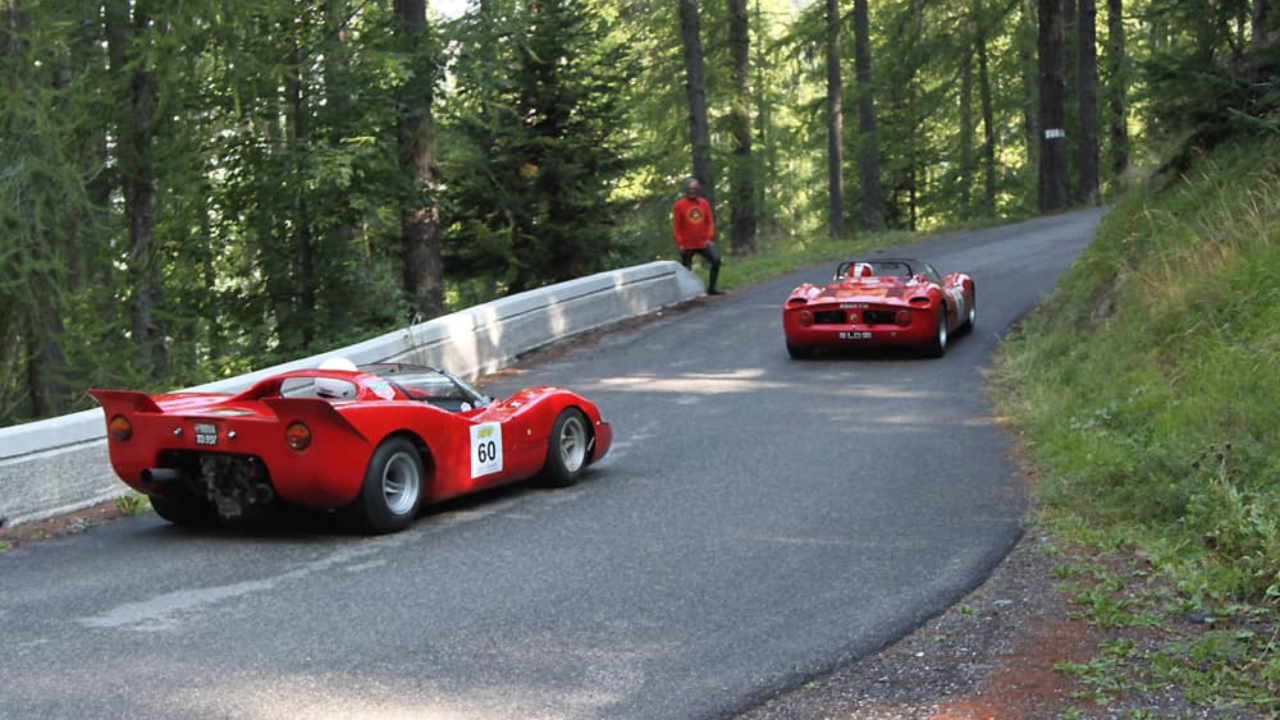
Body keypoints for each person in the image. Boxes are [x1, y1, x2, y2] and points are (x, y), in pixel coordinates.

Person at [671, 178, 723, 295]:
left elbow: (709, 221)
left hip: (703, 242)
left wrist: (710, 238)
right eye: (689, 189)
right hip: (687, 245)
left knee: (716, 261)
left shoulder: (704, 203)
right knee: (686, 270)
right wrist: (679, 243)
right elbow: (676, 227)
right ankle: (685, 294)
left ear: (698, 190)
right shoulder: (679, 206)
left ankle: (712, 288)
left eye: (694, 189)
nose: (692, 191)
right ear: (686, 190)